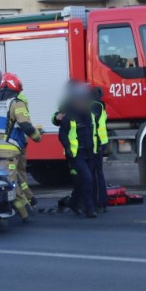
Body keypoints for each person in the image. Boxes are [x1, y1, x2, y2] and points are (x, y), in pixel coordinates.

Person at [0, 73, 42, 223]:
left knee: (1, 182)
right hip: (9, 151)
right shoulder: (16, 103)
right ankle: (24, 214)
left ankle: (8, 210)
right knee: (11, 184)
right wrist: (37, 136)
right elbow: (25, 125)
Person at [53, 83, 97, 218]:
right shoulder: (69, 114)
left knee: (80, 181)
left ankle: (73, 202)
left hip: (89, 153)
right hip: (76, 154)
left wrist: (98, 147)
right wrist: (68, 148)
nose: (83, 101)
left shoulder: (89, 114)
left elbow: (94, 132)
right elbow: (62, 134)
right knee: (88, 179)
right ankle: (89, 209)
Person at [89, 86, 109, 212]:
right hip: (101, 143)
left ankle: (97, 202)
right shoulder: (101, 106)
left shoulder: (94, 106)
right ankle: (103, 203)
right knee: (99, 174)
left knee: (94, 175)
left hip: (95, 144)